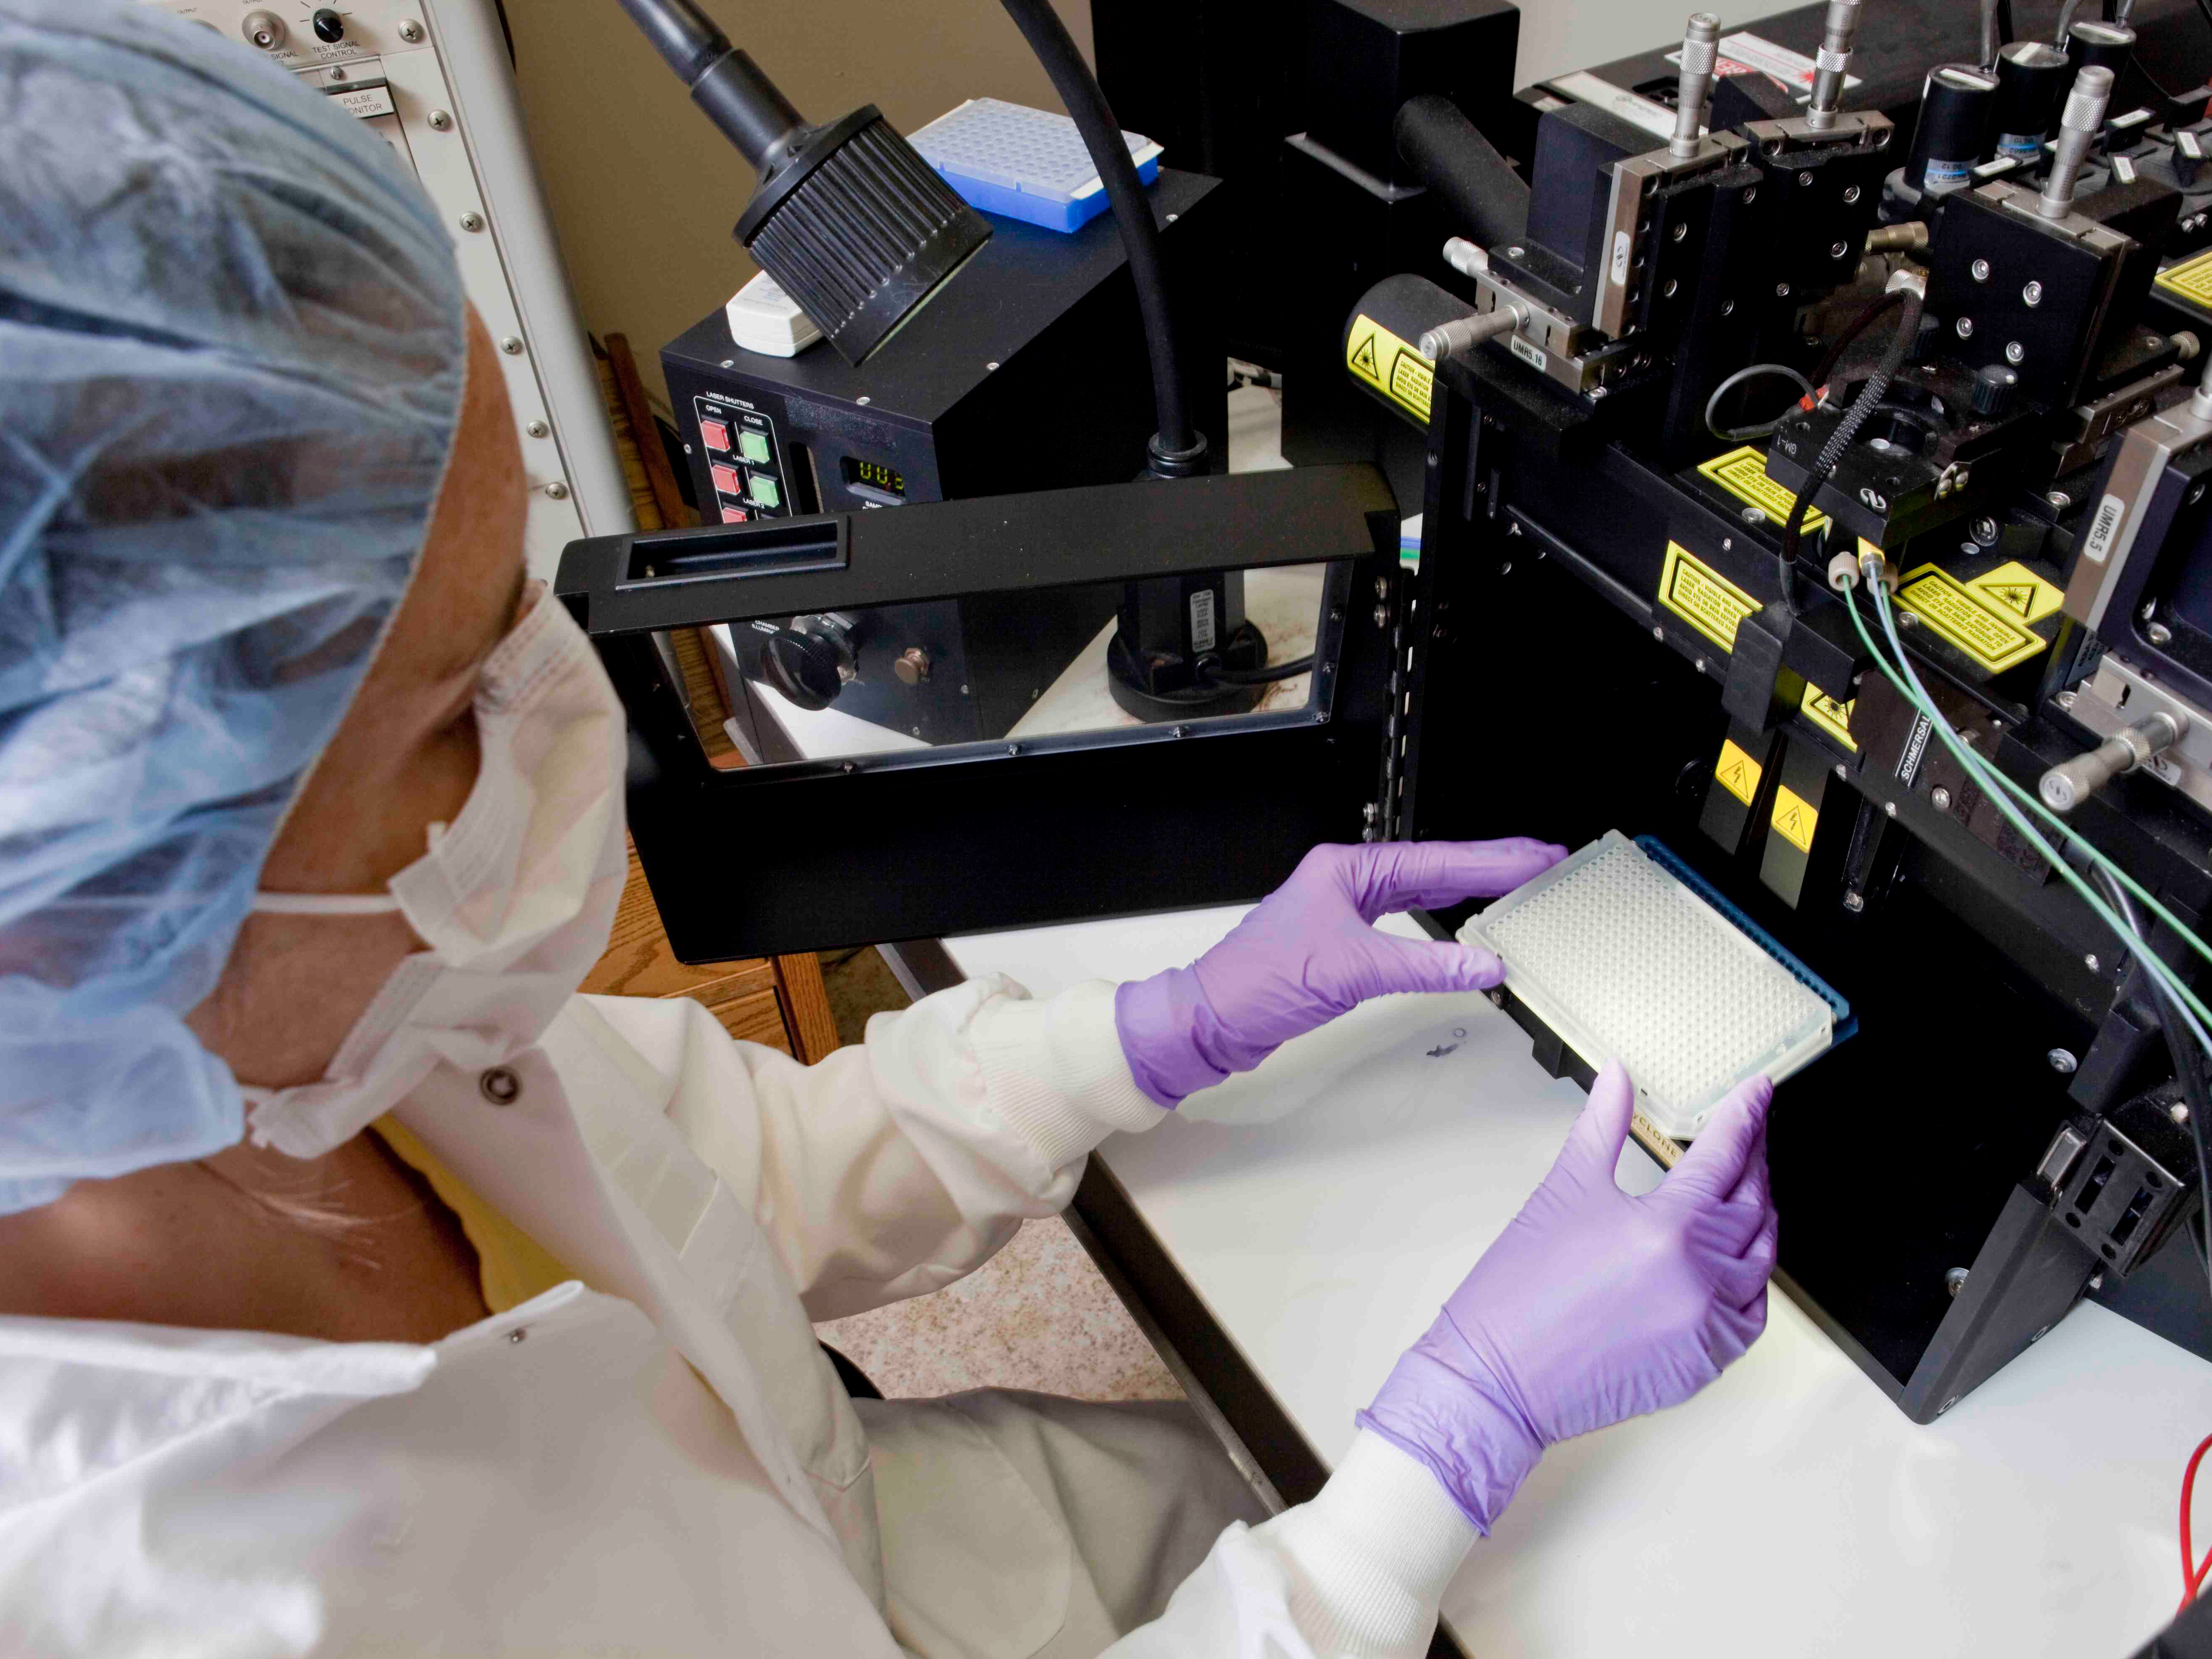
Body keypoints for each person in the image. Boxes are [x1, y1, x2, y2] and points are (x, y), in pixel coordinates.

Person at [0, 6, 1778, 1656]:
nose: (557, 713)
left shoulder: (314, 1019)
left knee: (1220, 1474)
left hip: (876, 1548)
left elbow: (734, 1184)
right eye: (456, 696)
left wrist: (1157, 1025)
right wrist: (1454, 1438)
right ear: (94, 880)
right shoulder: (166, 1586)